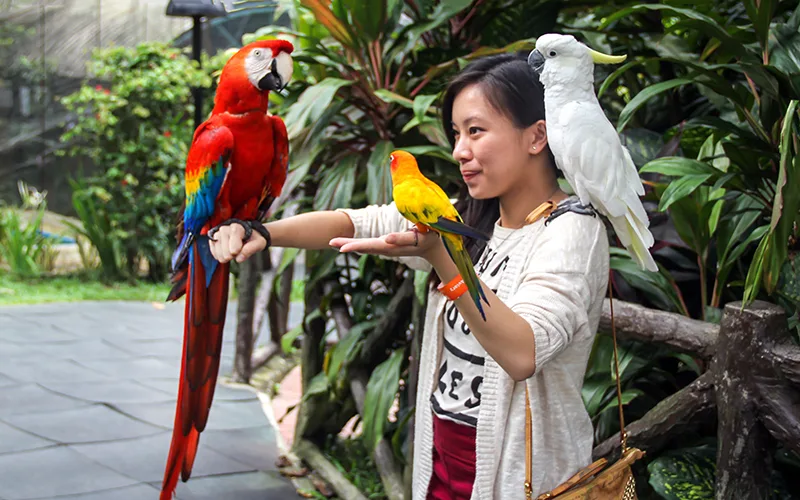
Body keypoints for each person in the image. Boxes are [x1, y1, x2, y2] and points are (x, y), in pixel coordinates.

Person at [207, 52, 609, 500]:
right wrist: (260, 231)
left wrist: (442, 258)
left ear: (537, 137)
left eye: (475, 131)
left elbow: (522, 354)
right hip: (441, 463)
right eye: (456, 134)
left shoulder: (572, 231)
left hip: (518, 476)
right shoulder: (469, 218)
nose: (460, 151)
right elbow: (354, 222)